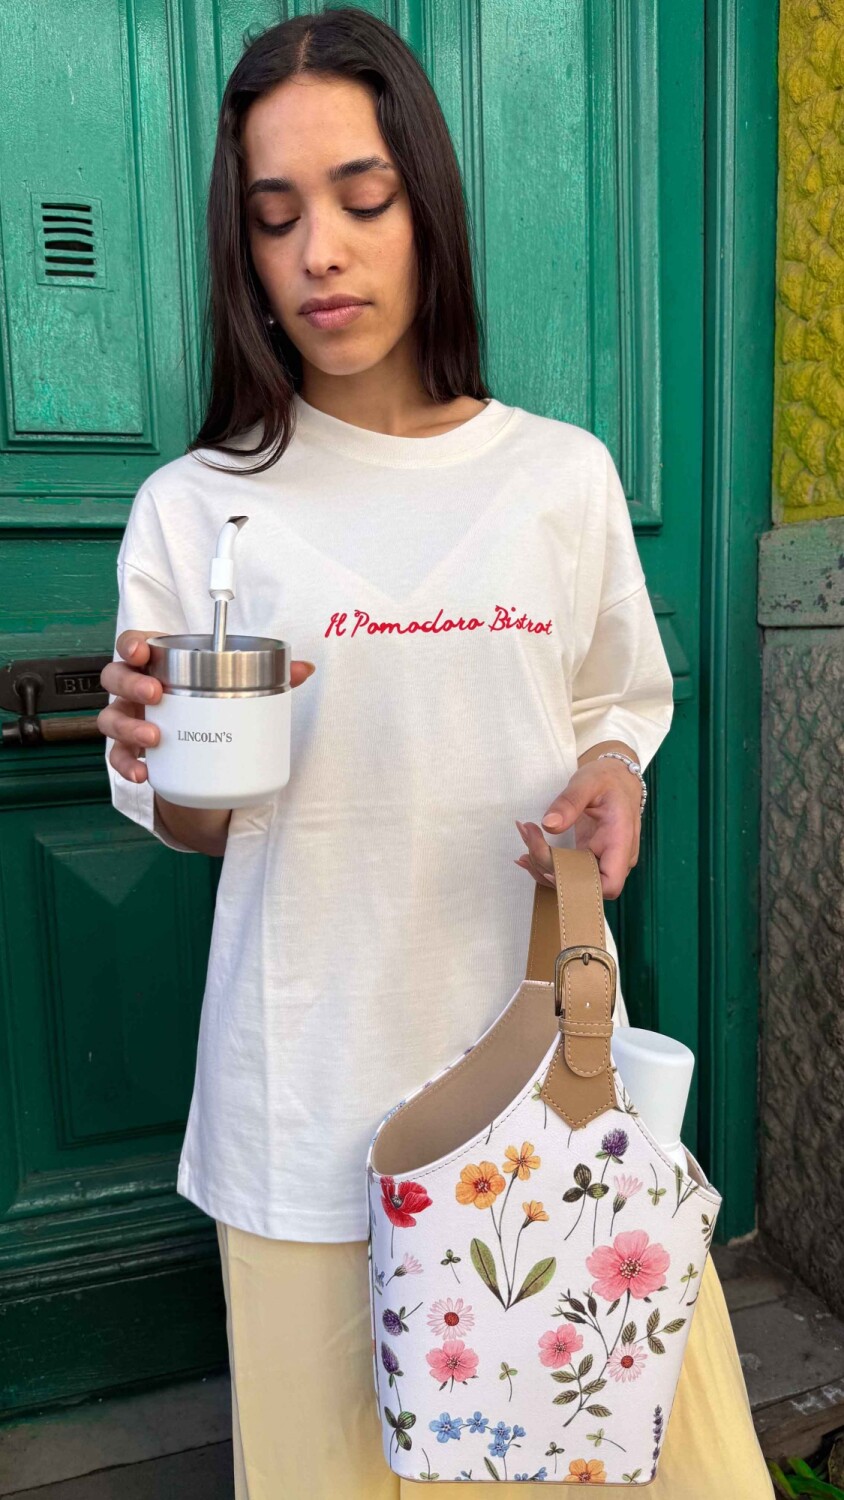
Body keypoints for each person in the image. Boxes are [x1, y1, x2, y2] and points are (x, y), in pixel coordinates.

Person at [98, 9, 774, 1497]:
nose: (320, 254)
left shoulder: (557, 477)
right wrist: (163, 757)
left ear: (429, 207)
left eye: (363, 198)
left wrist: (616, 774)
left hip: (550, 1092)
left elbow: (616, 703)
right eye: (276, 216)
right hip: (304, 1090)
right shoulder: (196, 510)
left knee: (626, 1454)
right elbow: (198, 820)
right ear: (241, 247)